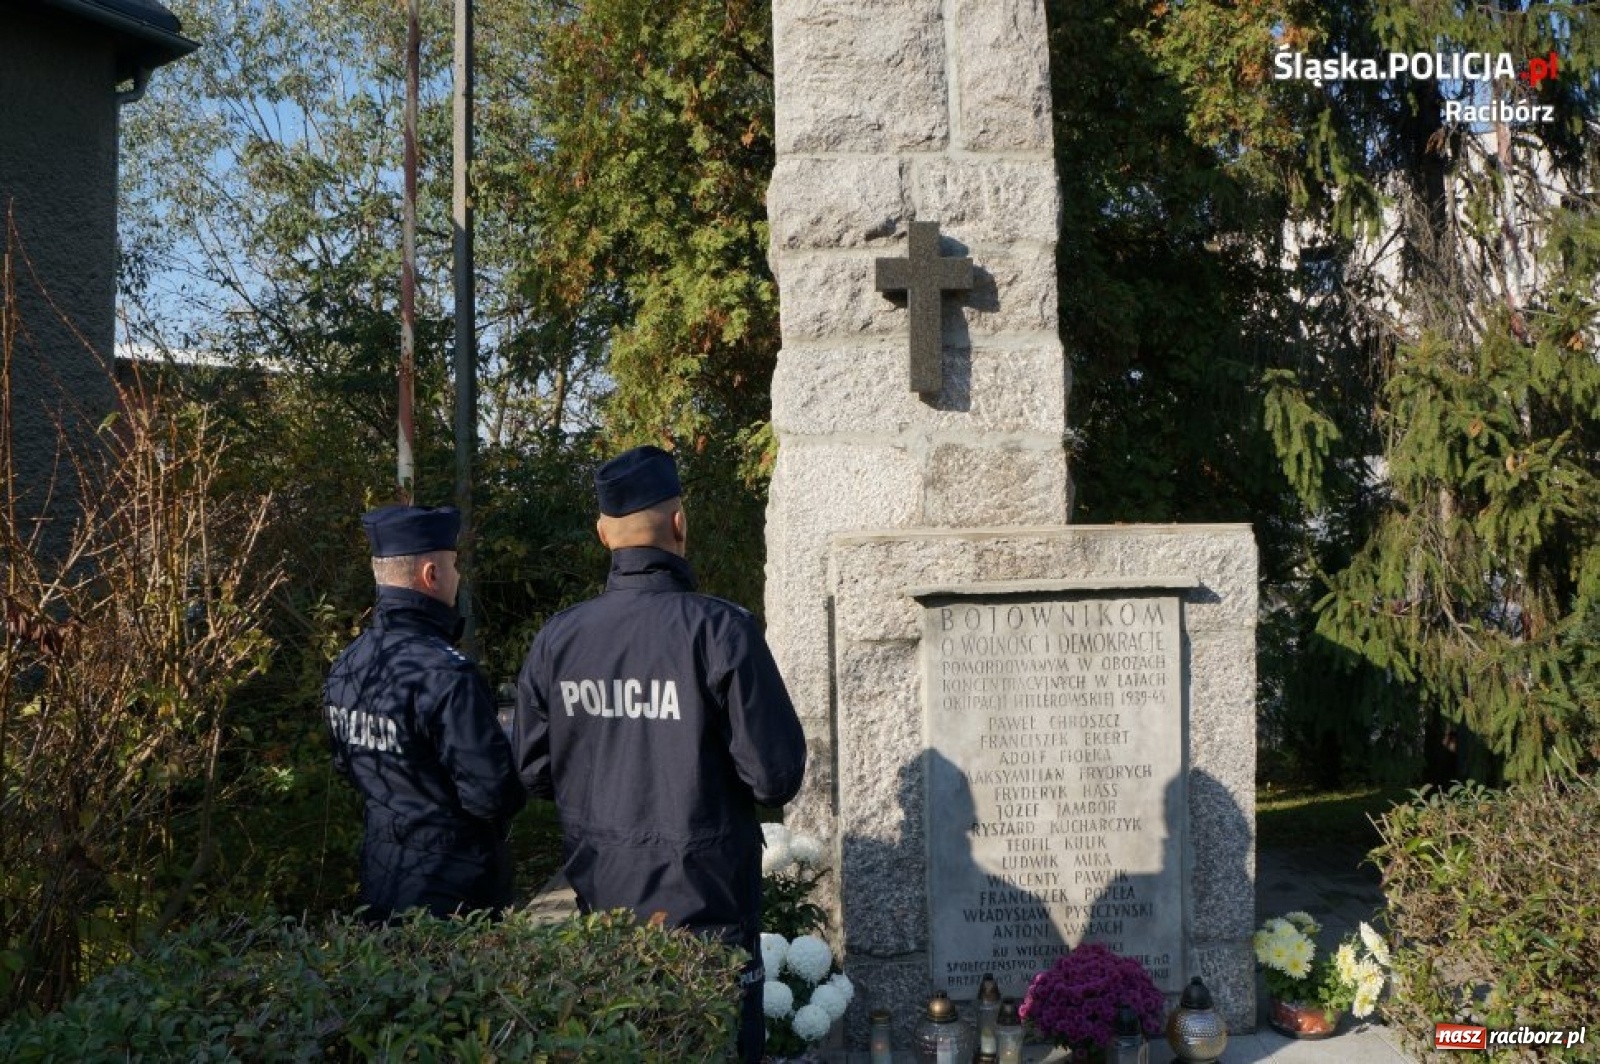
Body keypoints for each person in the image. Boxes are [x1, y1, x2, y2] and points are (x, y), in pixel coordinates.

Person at [514, 446, 807, 1063]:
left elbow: (535, 772)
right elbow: (774, 774)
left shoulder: (559, 638)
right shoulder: (719, 629)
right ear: (680, 524)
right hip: (706, 907)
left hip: (602, 906)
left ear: (603, 535)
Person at [324, 503, 526, 923]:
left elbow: (348, 765)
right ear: (431, 574)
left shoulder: (350, 663)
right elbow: (493, 795)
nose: (458, 578)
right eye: (454, 567)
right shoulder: (447, 674)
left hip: (381, 877)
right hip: (453, 891)